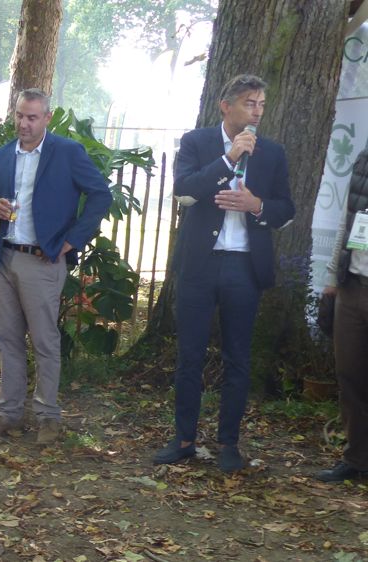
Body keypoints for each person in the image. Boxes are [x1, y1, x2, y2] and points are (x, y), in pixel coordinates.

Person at [152, 74, 295, 473]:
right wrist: (229, 159)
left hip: (243, 267)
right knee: (190, 355)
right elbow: (183, 191)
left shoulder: (272, 152)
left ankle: (228, 442)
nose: (257, 111)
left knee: (238, 358)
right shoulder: (197, 143)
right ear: (226, 105)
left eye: (262, 104)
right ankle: (183, 438)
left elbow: (286, 209)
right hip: (200, 265)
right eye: (250, 103)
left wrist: (256, 205)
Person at [0, 88, 113, 444]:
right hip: (6, 257)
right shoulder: (5, 154)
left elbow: (100, 194)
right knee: (6, 338)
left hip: (43, 259)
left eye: (32, 117)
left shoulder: (67, 152)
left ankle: (48, 417)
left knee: (45, 341)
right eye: (20, 115)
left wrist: (74, 239)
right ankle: (9, 416)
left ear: (47, 118)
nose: (24, 123)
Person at [317, 147, 368, 482]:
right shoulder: (364, 159)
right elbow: (345, 220)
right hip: (353, 286)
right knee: (350, 376)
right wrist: (333, 278)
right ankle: (357, 459)